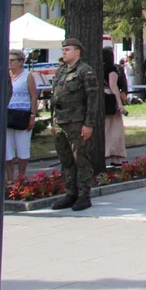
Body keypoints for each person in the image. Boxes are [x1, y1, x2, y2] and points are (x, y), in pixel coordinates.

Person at [49, 39, 101, 212]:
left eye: (67, 49)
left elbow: (92, 99)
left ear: (77, 52)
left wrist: (89, 124)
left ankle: (84, 195)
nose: (64, 52)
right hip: (60, 122)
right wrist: (53, 122)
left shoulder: (85, 71)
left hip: (77, 122)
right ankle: (71, 193)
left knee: (81, 159)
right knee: (66, 160)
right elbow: (55, 98)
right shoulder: (61, 70)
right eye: (63, 49)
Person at [5, 49, 39, 182]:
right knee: (7, 148)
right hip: (8, 113)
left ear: (21, 62)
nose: (9, 63)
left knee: (22, 146)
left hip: (23, 113)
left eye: (12, 60)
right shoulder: (6, 76)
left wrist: (32, 115)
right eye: (8, 60)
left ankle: (21, 176)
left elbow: (34, 96)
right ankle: (9, 178)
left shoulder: (27, 76)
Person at [102, 48, 127, 167]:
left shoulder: (96, 67)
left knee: (105, 129)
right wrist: (120, 104)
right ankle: (115, 157)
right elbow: (113, 86)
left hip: (100, 99)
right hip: (110, 99)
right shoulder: (111, 69)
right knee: (114, 131)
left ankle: (112, 156)